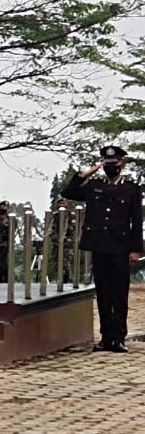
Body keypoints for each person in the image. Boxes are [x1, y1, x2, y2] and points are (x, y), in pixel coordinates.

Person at [61, 146, 143, 353]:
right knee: (104, 294)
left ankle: (119, 337)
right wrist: (84, 175)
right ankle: (106, 337)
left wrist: (136, 249)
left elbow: (136, 221)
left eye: (114, 164)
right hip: (99, 245)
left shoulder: (132, 189)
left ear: (122, 165)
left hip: (120, 247)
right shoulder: (94, 186)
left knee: (119, 294)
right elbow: (68, 192)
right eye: (107, 165)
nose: (110, 168)